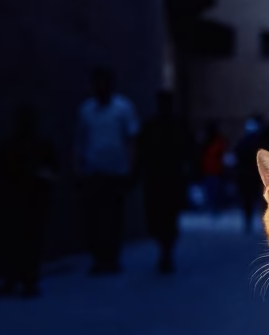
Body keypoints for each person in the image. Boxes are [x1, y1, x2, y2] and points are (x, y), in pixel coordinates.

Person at [74, 67, 139, 274]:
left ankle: (112, 258)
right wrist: (78, 168)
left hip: (116, 172)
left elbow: (131, 140)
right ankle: (98, 257)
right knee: (93, 218)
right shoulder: (86, 110)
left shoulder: (123, 108)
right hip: (93, 171)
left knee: (113, 217)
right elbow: (80, 141)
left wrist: (131, 167)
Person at [0, 105, 57, 296]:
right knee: (31, 240)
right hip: (33, 197)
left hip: (18, 198)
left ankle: (15, 278)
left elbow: (2, 172)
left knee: (16, 239)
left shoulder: (10, 145)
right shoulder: (41, 144)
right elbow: (54, 170)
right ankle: (28, 280)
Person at [137, 90, 190, 273]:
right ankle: (165, 249)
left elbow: (188, 152)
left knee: (168, 217)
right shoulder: (152, 126)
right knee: (159, 217)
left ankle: (166, 252)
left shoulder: (175, 126)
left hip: (169, 180)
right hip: (157, 179)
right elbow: (141, 151)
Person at [234, 116, 265, 231]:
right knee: (257, 198)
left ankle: (248, 221)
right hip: (255, 174)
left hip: (245, 174)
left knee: (247, 199)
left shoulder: (243, 142)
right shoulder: (259, 142)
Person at [200, 120, 229, 215]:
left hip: (216, 170)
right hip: (209, 170)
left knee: (215, 190)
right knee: (210, 190)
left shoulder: (217, 141)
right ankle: (212, 207)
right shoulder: (207, 141)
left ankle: (215, 207)